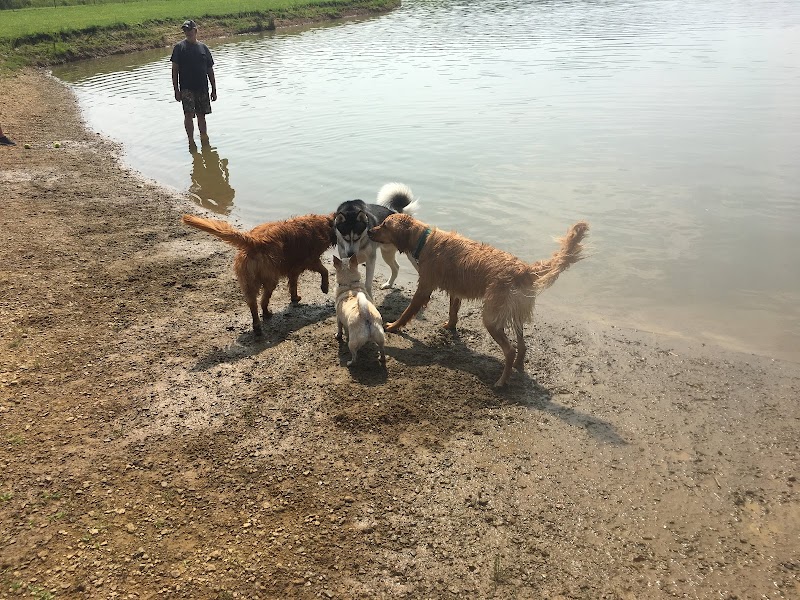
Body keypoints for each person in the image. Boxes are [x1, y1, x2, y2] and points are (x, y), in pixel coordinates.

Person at [170, 20, 217, 148]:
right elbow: (174, 70)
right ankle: (191, 140)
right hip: (186, 88)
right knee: (188, 114)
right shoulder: (179, 48)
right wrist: (176, 90)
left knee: (202, 115)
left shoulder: (204, 48)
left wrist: (214, 89)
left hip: (202, 87)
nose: (187, 33)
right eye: (185, 30)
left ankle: (204, 140)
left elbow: (210, 70)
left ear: (195, 31)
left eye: (189, 30)